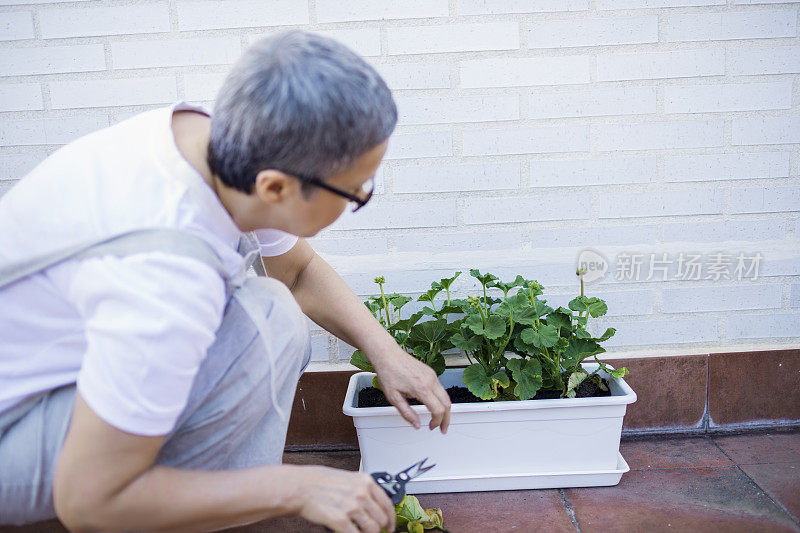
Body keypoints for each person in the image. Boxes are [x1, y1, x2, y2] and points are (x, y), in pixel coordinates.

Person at [0, 30, 451, 533]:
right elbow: (89, 502)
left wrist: (386, 352)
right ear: (275, 187)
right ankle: (176, 504)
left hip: (51, 378)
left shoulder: (207, 143)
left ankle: (202, 500)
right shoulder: (166, 272)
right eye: (353, 193)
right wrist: (299, 487)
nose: (357, 200)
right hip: (11, 439)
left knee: (275, 312)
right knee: (260, 323)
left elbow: (297, 273)